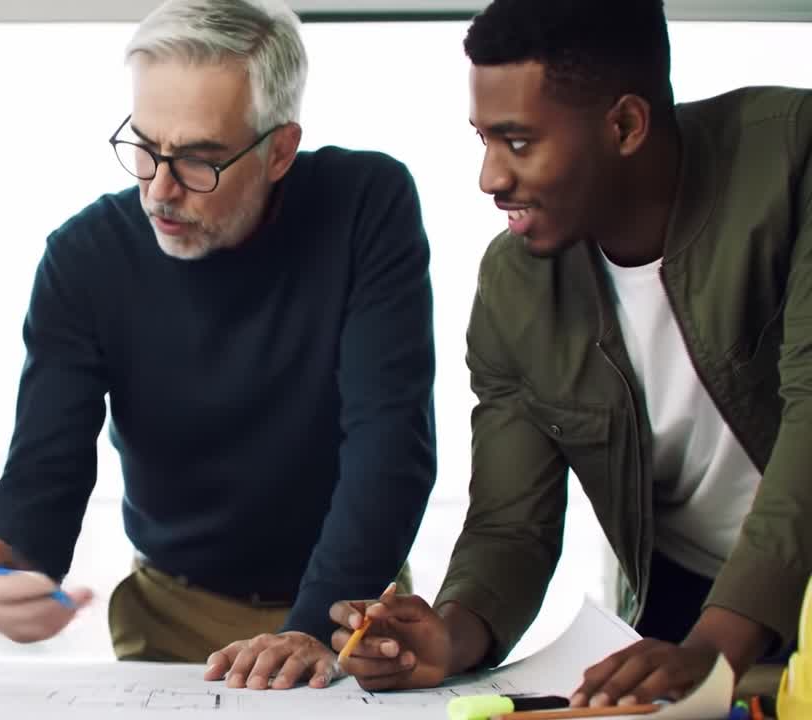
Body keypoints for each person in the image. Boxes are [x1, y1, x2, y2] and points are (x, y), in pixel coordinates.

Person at [330, 0, 812, 707]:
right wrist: (452, 634)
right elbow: (510, 525)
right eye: (483, 140)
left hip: (746, 616)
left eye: (518, 142)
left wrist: (715, 649)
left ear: (624, 125)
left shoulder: (795, 162)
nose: (489, 178)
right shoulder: (513, 282)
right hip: (691, 614)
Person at [0, 0, 436, 691]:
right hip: (170, 615)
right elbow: (49, 458)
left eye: (198, 161)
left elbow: (390, 441)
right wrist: (14, 562)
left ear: (280, 149)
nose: (159, 191)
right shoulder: (83, 256)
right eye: (146, 146)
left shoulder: (367, 204)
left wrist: (313, 626)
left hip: (348, 609)